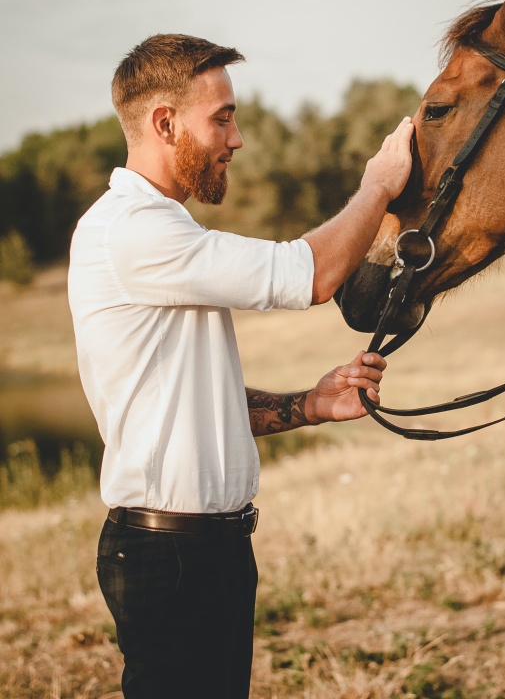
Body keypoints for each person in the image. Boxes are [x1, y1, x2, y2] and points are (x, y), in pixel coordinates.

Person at [68, 34, 414, 699]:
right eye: (221, 117)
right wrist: (378, 187)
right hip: (168, 552)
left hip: (208, 548)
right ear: (164, 123)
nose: (238, 137)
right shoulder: (135, 231)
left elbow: (198, 404)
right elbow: (306, 275)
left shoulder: (161, 230)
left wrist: (309, 404)